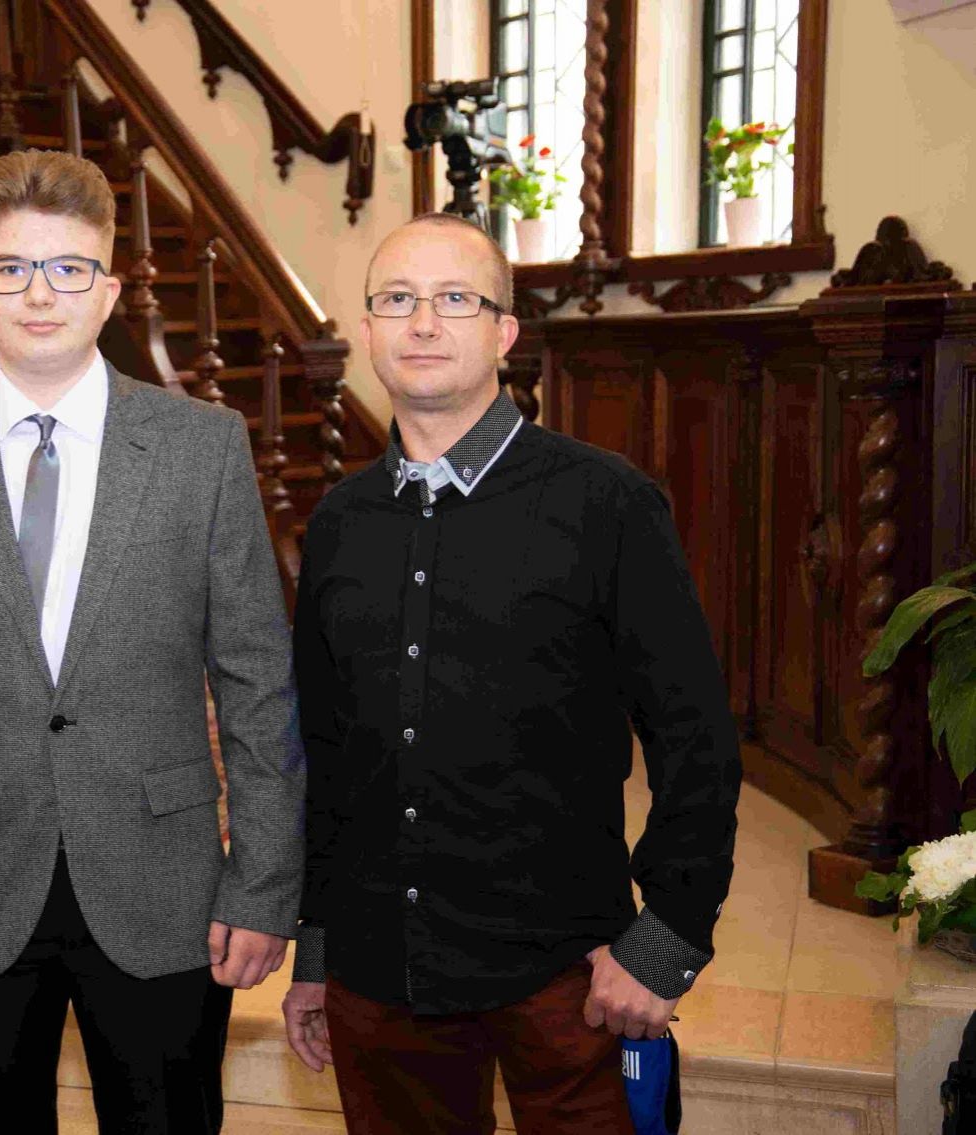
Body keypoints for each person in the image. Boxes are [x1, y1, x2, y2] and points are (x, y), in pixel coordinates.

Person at [0, 148, 304, 1135]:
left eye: (66, 268)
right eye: (10, 268)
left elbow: (256, 682)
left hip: (163, 883)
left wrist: (262, 883)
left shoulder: (201, 447)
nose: (38, 293)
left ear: (108, 289)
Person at [281, 213, 741, 1134]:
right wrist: (317, 946)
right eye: (396, 299)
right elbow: (327, 757)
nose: (422, 322)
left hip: (564, 973)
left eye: (454, 298)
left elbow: (695, 737)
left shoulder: (606, 502)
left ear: (503, 332)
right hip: (379, 973)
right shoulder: (337, 523)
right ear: (366, 329)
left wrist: (666, 938)